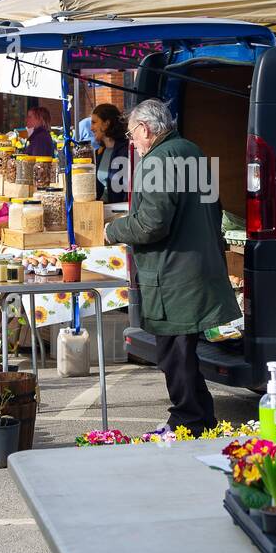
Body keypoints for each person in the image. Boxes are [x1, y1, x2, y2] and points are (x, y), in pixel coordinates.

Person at [105, 98, 238, 435]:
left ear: (146, 129)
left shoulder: (157, 161)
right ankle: (200, 419)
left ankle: (188, 420)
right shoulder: (192, 151)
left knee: (174, 355)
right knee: (181, 354)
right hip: (197, 267)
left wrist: (112, 230)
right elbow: (212, 209)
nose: (132, 142)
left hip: (175, 274)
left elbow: (151, 225)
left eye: (133, 135)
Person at [91, 102, 130, 203]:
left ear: (106, 124)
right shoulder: (99, 152)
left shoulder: (126, 150)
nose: (91, 128)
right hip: (102, 209)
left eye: (94, 122)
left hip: (120, 211)